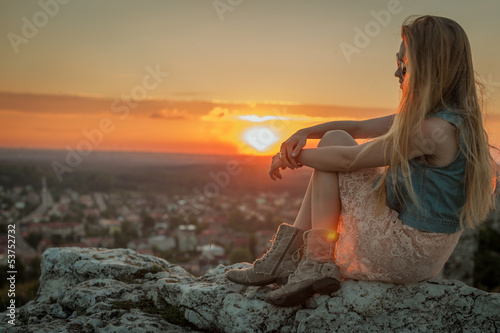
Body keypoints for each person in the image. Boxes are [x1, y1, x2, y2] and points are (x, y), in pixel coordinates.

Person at [226, 15, 498, 307]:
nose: (397, 72)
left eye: (404, 64)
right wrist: (304, 132)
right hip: (424, 254)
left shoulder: (433, 130)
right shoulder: (448, 119)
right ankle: (289, 260)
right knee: (335, 137)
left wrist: (291, 157)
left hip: (405, 253)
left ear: (429, 68)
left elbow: (347, 159)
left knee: (333, 151)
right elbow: (357, 128)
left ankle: (313, 263)